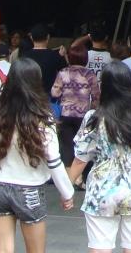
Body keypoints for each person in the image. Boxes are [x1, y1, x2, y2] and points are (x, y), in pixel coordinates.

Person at [68, 61, 131, 253]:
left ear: (104, 86)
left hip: (101, 191)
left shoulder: (93, 117)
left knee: (100, 247)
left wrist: (66, 189)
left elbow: (80, 158)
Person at [0, 58, 74, 253]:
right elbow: (53, 159)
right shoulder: (42, 117)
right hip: (30, 190)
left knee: (3, 250)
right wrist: (67, 192)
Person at [52, 40, 100, 168]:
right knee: (82, 147)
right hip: (83, 116)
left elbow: (55, 93)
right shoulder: (90, 74)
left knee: (66, 146)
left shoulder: (63, 73)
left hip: (65, 114)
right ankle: (79, 174)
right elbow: (96, 97)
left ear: (70, 57)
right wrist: (92, 110)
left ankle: (68, 173)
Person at [21, 25, 66, 98]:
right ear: (48, 37)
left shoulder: (24, 56)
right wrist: (62, 56)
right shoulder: (55, 55)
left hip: (29, 97)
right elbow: (65, 74)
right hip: (48, 97)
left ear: (31, 37)